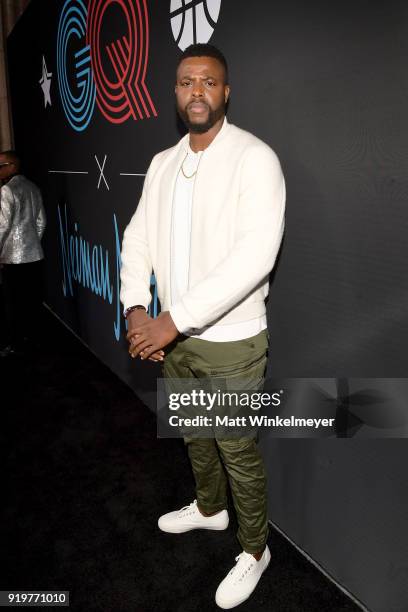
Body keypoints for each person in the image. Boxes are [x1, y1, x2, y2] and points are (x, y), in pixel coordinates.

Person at [120, 44, 285, 609]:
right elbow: (138, 237)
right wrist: (136, 307)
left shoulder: (254, 157)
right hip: (175, 338)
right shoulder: (164, 162)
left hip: (231, 341)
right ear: (175, 92)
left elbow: (255, 257)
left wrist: (173, 320)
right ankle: (211, 512)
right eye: (187, 81)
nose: (197, 91)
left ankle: (256, 547)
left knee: (237, 447)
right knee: (195, 433)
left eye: (208, 82)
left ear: (226, 92)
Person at [0, 150, 46, 356]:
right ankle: (34, 341)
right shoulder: (33, 187)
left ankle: (16, 345)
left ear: (12, 166)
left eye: (1, 166)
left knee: (13, 304)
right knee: (32, 301)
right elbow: (41, 221)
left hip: (13, 257)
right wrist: (31, 242)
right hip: (35, 255)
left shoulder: (7, 191)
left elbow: (2, 226)